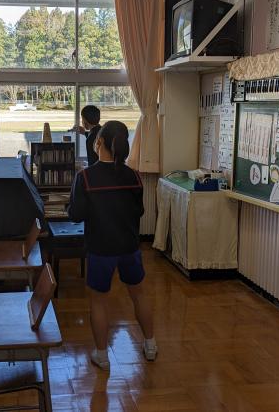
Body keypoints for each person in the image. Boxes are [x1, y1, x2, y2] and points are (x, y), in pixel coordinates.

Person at [67, 120, 156, 370]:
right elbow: (139, 211)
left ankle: (102, 355)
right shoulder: (134, 176)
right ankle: (151, 345)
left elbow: (75, 215)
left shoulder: (85, 177)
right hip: (130, 247)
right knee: (139, 295)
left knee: (99, 302)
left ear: (99, 142)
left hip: (100, 249)